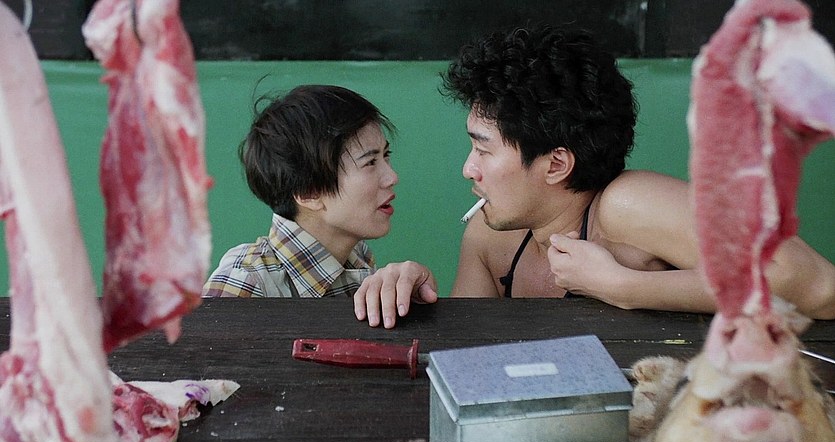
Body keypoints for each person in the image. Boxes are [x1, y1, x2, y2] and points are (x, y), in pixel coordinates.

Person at [354, 24, 835, 327]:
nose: (468, 168)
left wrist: (624, 287)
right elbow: (467, 358)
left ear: (556, 164)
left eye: (483, 148)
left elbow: (816, 285)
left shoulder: (625, 205)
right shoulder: (489, 234)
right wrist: (417, 294)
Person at [202, 85, 433, 299]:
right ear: (309, 193)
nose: (392, 177)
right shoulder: (245, 281)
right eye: (370, 162)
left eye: (386, 155)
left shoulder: (358, 259)